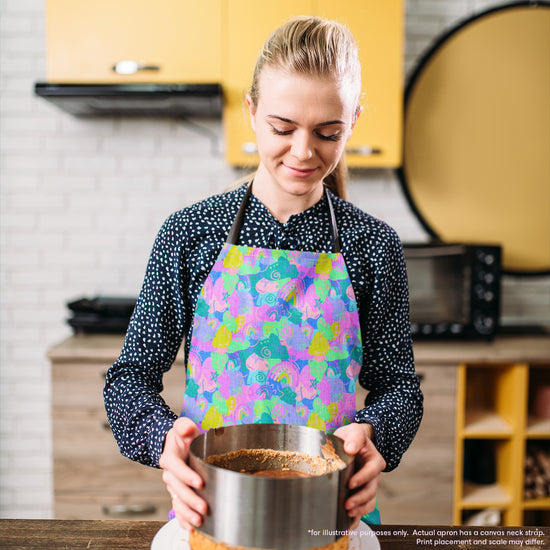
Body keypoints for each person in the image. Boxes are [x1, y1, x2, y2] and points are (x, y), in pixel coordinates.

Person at [104, 15, 423, 533]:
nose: (303, 152)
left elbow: (399, 387)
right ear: (251, 113)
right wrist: (164, 440)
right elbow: (128, 382)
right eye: (282, 128)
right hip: (215, 512)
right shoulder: (191, 232)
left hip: (329, 514)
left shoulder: (373, 246)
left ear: (354, 121)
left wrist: (379, 438)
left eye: (328, 132)